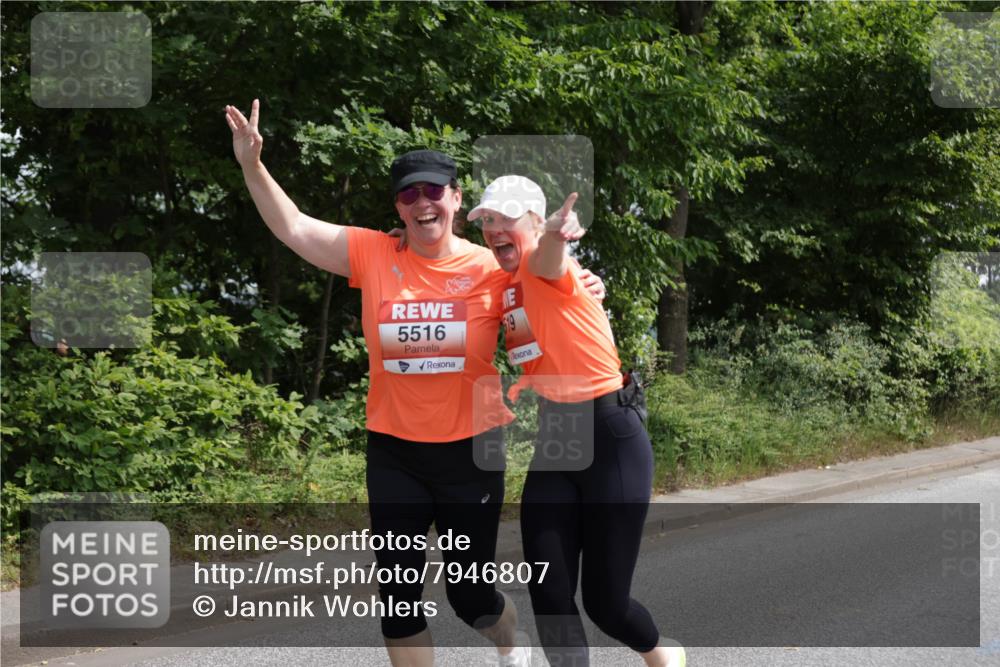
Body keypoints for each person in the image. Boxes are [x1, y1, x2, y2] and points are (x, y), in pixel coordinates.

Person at [224, 99, 531, 667]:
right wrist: (252, 164)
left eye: (434, 191)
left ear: (457, 199)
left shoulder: (493, 270)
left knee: (470, 598)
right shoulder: (372, 252)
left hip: (473, 451)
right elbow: (293, 227)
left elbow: (552, 297)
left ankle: (510, 642)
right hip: (395, 452)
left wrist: (584, 283)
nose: (422, 203)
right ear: (398, 206)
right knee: (397, 599)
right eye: (409, 195)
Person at [468, 175, 687, 667]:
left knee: (607, 606)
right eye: (487, 222)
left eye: (506, 220)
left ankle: (661, 654)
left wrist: (553, 236)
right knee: (549, 593)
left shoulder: (548, 267)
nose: (494, 230)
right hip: (557, 439)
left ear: (533, 222)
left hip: (611, 433)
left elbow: (549, 260)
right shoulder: (505, 284)